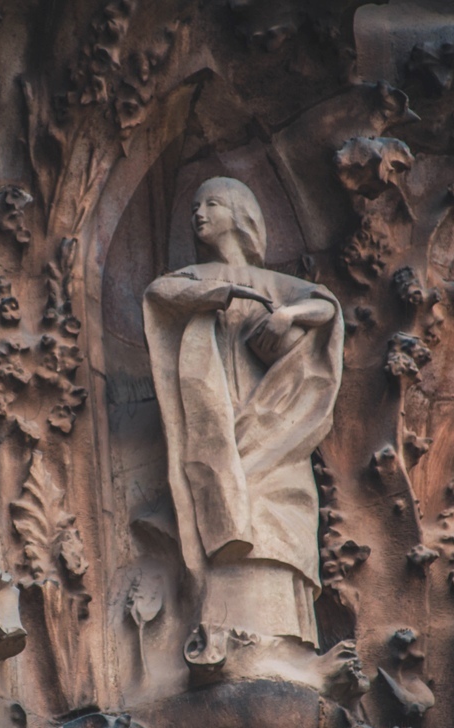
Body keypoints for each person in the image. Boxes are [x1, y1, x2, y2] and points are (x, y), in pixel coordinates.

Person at [142, 176, 343, 662]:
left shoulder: (276, 285)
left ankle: (286, 646)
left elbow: (327, 308)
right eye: (194, 206)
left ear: (241, 215)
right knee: (227, 511)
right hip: (220, 432)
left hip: (276, 432)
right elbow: (159, 293)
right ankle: (224, 638)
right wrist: (226, 291)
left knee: (279, 522)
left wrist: (287, 317)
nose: (199, 214)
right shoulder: (194, 278)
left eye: (212, 204)